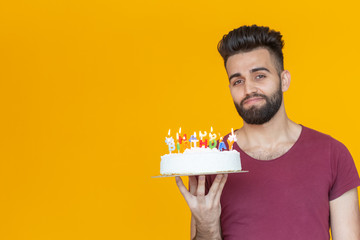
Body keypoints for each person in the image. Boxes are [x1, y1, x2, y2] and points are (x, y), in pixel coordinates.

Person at [175, 25, 360, 240]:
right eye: (238, 81)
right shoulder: (211, 160)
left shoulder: (332, 154)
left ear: (284, 80)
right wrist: (206, 227)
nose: (248, 89)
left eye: (260, 76)